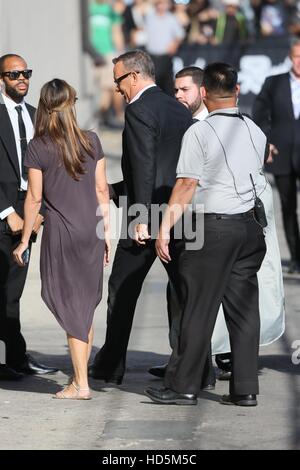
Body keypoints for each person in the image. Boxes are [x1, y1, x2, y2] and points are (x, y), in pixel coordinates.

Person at [146, 62, 267, 406]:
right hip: (249, 229)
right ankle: (245, 389)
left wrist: (165, 229)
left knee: (198, 308)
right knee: (244, 311)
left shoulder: (198, 132)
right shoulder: (255, 130)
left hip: (212, 228)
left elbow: (185, 184)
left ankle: (183, 386)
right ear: (237, 91)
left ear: (203, 93)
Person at [89, 49, 192, 384]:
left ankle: (109, 366)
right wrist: (114, 190)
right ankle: (194, 369)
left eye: (119, 80)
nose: (117, 88)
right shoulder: (179, 109)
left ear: (133, 76)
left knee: (122, 287)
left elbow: (146, 165)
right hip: (182, 210)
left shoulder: (138, 109)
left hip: (146, 216)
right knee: (185, 292)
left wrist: (141, 218)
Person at [13, 79, 110, 399]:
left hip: (62, 234)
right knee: (84, 306)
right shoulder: (91, 141)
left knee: (70, 305)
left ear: (44, 106)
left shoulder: (38, 146)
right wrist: (107, 233)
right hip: (91, 231)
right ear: (72, 104)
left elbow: (34, 199)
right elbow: (101, 191)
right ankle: (80, 379)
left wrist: (25, 239)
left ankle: (81, 384)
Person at [0, 53, 58, 380]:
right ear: (2, 79)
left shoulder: (38, 117)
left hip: (31, 208)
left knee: (14, 288)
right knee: (3, 290)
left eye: (26, 73)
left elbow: (52, 170)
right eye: (13, 74)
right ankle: (14, 358)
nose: (22, 78)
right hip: (4, 209)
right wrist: (7, 212)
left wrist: (41, 214)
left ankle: (14, 358)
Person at [253, 39, 300, 274]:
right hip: (282, 153)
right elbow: (260, 113)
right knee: (288, 206)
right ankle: (295, 256)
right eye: (297, 56)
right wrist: (266, 140)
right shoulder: (275, 83)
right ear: (290, 57)